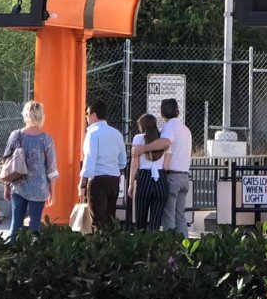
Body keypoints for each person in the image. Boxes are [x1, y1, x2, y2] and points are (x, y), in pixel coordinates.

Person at [136, 97, 194, 236]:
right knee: (180, 216)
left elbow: (165, 142)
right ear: (178, 112)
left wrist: (143, 148)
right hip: (184, 176)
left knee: (168, 217)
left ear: (161, 114)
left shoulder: (169, 127)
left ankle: (170, 250)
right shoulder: (186, 130)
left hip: (172, 177)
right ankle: (184, 249)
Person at [2, 101, 57, 241]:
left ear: (25, 115)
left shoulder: (16, 135)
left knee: (16, 225)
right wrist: (53, 192)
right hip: (39, 188)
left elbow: (7, 163)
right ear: (41, 116)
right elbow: (51, 169)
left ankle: (12, 254)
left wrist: (6, 187)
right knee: (35, 226)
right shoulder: (46, 139)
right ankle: (33, 256)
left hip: (18, 185)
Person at [79, 99, 126, 230]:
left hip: (97, 179)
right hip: (114, 179)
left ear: (94, 115)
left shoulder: (92, 133)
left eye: (87, 113)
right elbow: (122, 161)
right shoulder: (116, 133)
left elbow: (89, 159)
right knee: (110, 218)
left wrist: (83, 184)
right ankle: (111, 246)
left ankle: (99, 248)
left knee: (98, 221)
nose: (86, 117)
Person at [129, 114, 167, 230]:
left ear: (142, 126)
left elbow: (135, 163)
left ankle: (141, 242)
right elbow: (166, 164)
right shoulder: (163, 139)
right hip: (160, 178)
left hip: (144, 177)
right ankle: (154, 242)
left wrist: (131, 184)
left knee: (140, 216)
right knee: (156, 220)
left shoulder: (138, 138)